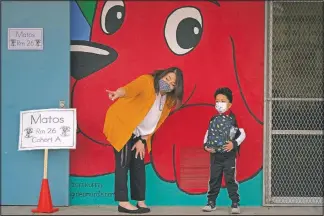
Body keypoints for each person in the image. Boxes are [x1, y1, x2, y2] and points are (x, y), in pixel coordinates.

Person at [103, 67, 184, 214]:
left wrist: (143, 140)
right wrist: (118, 93)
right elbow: (129, 89)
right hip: (122, 123)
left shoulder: (168, 100)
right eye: (167, 79)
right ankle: (123, 202)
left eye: (172, 83)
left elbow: (157, 122)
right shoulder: (147, 81)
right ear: (161, 76)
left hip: (140, 133)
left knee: (138, 164)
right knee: (123, 161)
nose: (168, 83)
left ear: (175, 88)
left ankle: (140, 201)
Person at [202, 87, 246, 214]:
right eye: (217, 101)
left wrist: (234, 143)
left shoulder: (234, 118)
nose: (219, 103)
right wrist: (205, 145)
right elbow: (207, 134)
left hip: (229, 156)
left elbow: (243, 134)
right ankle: (211, 202)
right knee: (214, 178)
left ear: (230, 104)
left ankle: (235, 203)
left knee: (230, 179)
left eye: (223, 101)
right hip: (215, 156)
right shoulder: (213, 119)